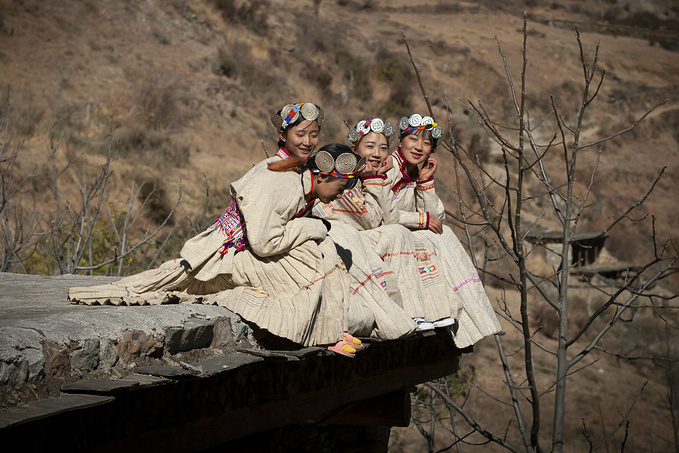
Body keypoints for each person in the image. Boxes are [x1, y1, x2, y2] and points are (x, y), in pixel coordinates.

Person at [68, 144, 415, 357]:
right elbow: (264, 243)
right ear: (323, 176)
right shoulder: (286, 187)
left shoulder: (302, 188)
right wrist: (311, 228)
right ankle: (320, 329)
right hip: (225, 255)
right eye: (340, 186)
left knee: (321, 251)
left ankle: (327, 325)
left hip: (248, 251)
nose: (340, 194)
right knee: (313, 257)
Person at [314, 118, 456, 331]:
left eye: (382, 147)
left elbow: (436, 220)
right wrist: (376, 180)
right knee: (400, 235)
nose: (378, 154)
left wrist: (425, 183)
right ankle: (410, 314)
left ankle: (438, 311)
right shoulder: (355, 177)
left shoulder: (390, 172)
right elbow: (377, 219)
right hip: (344, 241)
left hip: (365, 236)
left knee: (438, 237)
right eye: (369, 146)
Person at [386, 113, 502, 348]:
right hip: (386, 237)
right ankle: (441, 310)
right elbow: (383, 214)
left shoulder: (415, 174)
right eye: (413, 139)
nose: (419, 147)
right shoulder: (388, 168)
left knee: (443, 234)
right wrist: (420, 219)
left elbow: (436, 219)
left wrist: (426, 183)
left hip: (403, 235)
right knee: (433, 239)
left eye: (426, 143)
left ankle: (457, 311)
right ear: (400, 141)